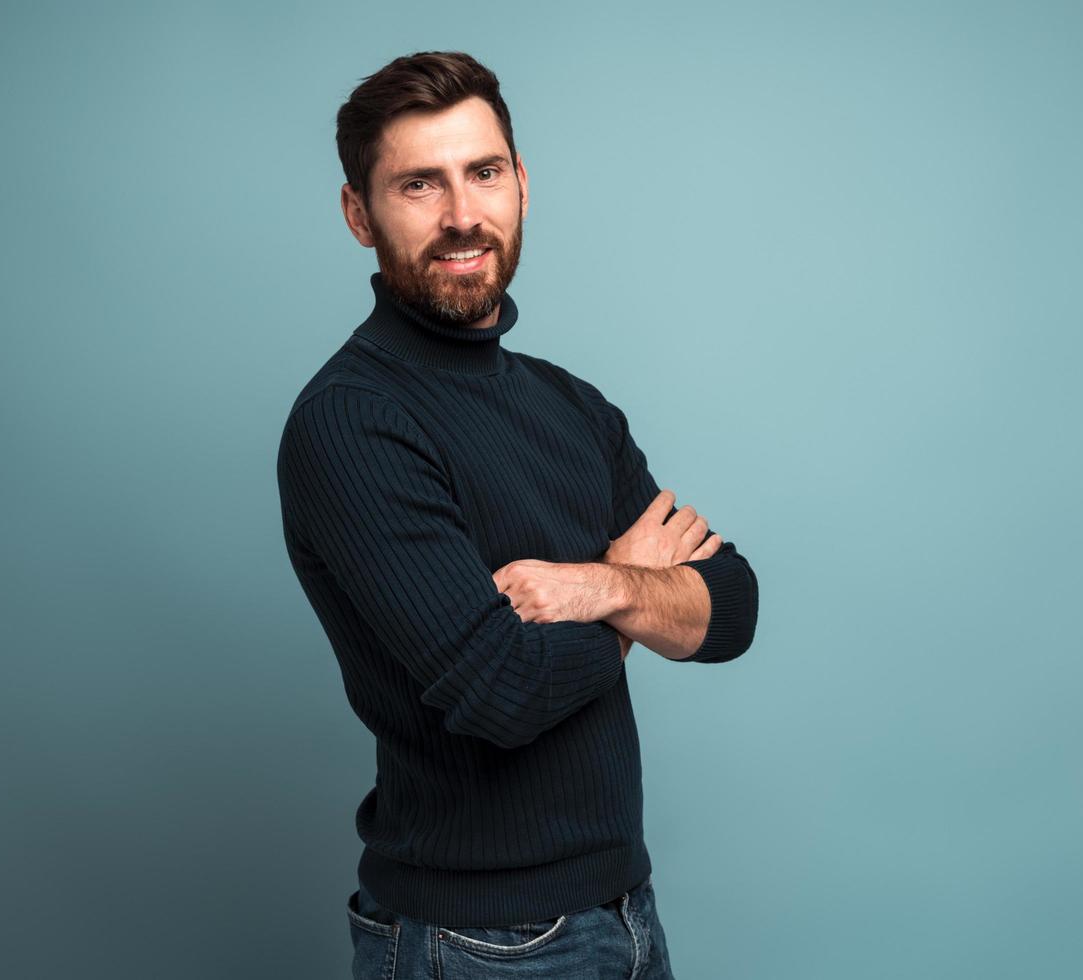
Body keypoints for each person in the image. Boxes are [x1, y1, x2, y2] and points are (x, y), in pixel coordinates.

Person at [276, 50, 760, 978]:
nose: (463, 215)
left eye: (483, 172)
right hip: (478, 944)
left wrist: (597, 583)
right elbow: (502, 692)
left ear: (522, 185)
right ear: (358, 215)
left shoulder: (570, 405)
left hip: (625, 913)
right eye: (420, 184)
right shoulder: (352, 420)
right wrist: (643, 599)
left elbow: (730, 609)